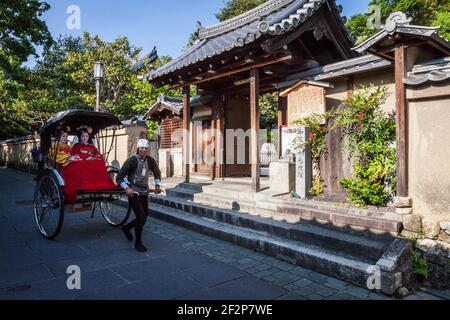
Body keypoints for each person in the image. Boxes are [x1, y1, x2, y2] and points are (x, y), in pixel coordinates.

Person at [116, 139, 162, 252]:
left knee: (143, 217)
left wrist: (157, 185)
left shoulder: (150, 160)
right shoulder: (131, 160)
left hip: (144, 192)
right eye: (142, 148)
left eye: (146, 148)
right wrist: (126, 188)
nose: (144, 150)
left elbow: (157, 172)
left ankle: (126, 228)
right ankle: (138, 243)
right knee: (141, 217)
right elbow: (119, 177)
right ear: (138, 148)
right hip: (133, 193)